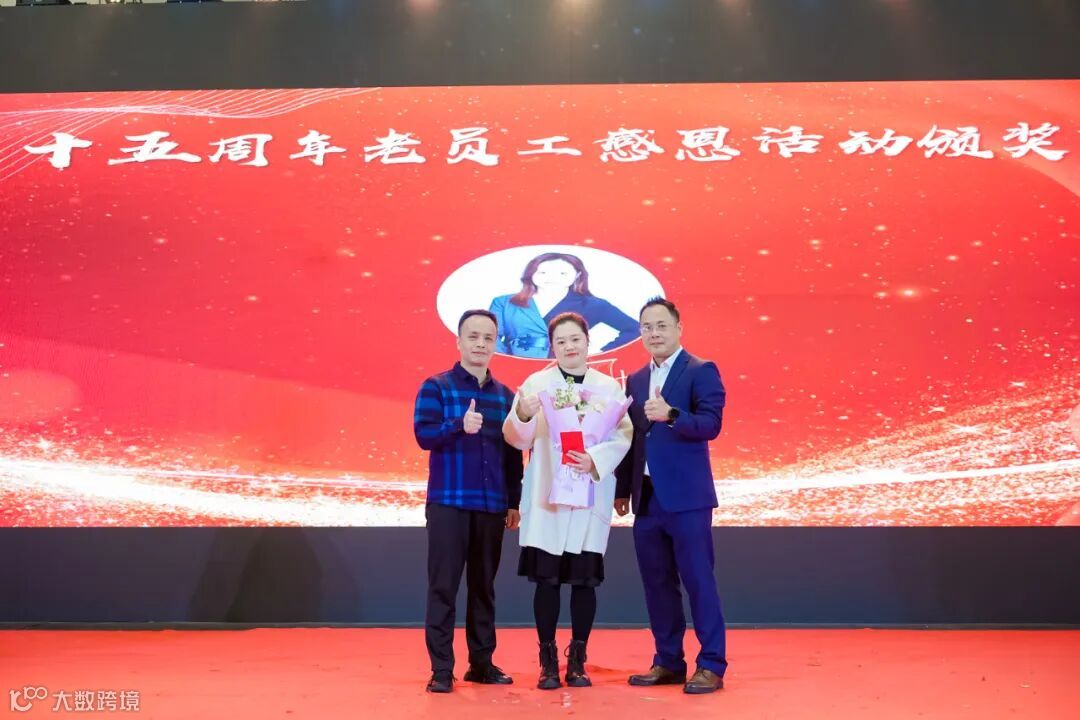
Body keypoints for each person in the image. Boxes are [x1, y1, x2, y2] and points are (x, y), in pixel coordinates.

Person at [503, 312, 632, 689]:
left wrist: (595, 459)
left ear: (588, 342)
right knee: (546, 582)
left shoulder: (608, 388)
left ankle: (577, 660)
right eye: (560, 341)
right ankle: (547, 660)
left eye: (575, 339)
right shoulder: (536, 384)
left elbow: (622, 436)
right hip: (549, 498)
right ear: (552, 347)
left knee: (583, 582)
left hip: (588, 495)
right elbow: (516, 438)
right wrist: (523, 413)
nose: (569, 347)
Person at [614, 297, 728, 695]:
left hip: (687, 499)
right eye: (647, 327)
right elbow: (630, 439)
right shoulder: (635, 379)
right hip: (647, 499)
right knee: (657, 584)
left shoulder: (701, 370)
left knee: (698, 581)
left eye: (661, 325)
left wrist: (673, 415)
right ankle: (668, 661)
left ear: (678, 328)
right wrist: (622, 489)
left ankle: (711, 664)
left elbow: (711, 425)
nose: (654, 333)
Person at [413, 309, 524, 694]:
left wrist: (513, 501)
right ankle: (442, 669)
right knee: (443, 587)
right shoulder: (436, 387)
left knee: (483, 588)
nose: (480, 344)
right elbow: (424, 435)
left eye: (488, 338)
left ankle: (482, 663)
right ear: (458, 341)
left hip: (491, 506)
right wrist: (458, 425)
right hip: (449, 502)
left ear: (496, 344)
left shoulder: (505, 396)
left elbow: (513, 454)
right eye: (473, 336)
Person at [488, 252, 639, 359]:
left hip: (566, 371)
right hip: (515, 367)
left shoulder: (593, 304)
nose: (552, 278)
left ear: (578, 275)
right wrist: (508, 360)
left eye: (562, 273)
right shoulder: (503, 303)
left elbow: (635, 329)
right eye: (543, 273)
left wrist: (602, 352)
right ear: (531, 273)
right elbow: (492, 336)